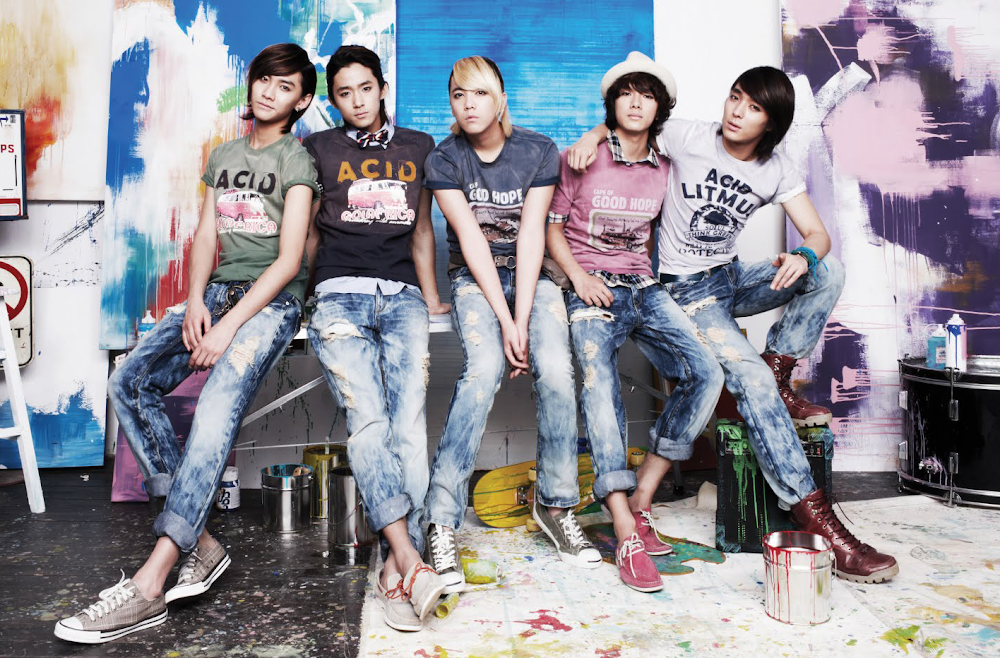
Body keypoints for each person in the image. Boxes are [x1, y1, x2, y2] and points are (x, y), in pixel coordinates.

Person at [569, 57, 897, 584]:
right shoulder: (687, 135)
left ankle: (779, 368)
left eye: (753, 107)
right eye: (735, 97)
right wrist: (591, 135)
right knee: (750, 380)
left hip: (729, 278)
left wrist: (803, 257)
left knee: (827, 270)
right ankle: (817, 521)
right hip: (684, 291)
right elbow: (627, 121)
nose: (737, 112)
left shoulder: (775, 168)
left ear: (772, 122)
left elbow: (818, 235)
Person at [56, 43, 320, 644]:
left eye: (284, 86)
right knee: (129, 381)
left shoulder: (297, 161)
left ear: (302, 100)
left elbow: (288, 263)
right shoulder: (223, 155)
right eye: (263, 79)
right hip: (217, 293)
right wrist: (197, 300)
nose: (268, 91)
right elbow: (205, 235)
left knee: (215, 409)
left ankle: (152, 580)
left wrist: (229, 327)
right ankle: (200, 540)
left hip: (271, 304)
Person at [546, 54, 723, 592]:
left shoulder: (666, 166)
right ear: (612, 103)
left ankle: (643, 496)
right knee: (600, 382)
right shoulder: (581, 157)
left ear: (660, 107)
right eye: (626, 92)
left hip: (643, 285)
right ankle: (623, 526)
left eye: (647, 94)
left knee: (706, 372)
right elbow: (552, 228)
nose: (636, 102)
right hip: (590, 284)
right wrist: (578, 278)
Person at [423, 56, 593, 591]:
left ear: (500, 98)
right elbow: (472, 241)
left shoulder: (537, 150)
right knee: (483, 370)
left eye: (478, 93)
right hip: (475, 280)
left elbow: (532, 235)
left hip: (533, 275)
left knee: (557, 370)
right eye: (458, 95)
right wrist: (504, 321)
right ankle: (440, 519)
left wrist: (521, 319)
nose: (468, 104)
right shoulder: (443, 158)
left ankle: (556, 505)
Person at [302, 45, 447, 631]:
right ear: (333, 100)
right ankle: (408, 559)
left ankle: (392, 563)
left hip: (403, 296)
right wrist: (301, 297)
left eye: (366, 88)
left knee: (408, 424)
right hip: (338, 293)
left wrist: (431, 295)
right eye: (344, 93)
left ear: (383, 88)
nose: (357, 101)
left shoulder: (418, 146)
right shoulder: (318, 148)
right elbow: (309, 232)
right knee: (368, 420)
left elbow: (421, 229)